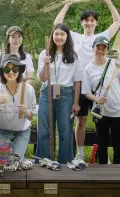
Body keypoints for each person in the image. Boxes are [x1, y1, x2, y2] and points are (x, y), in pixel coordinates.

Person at [54, 0, 120, 162]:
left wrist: (108, 2)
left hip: (98, 87)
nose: (89, 23)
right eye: (86, 20)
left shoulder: (102, 36)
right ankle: (80, 154)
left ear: (96, 23)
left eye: (92, 20)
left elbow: (118, 21)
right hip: (80, 86)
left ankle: (102, 155)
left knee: (102, 122)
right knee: (81, 121)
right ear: (82, 23)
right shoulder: (75, 36)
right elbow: (57, 24)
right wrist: (66, 5)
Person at [36, 23, 81, 164]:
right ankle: (44, 161)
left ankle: (65, 161)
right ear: (52, 36)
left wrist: (76, 102)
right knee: (44, 129)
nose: (59, 37)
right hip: (46, 92)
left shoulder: (73, 56)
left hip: (66, 94)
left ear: (67, 36)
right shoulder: (45, 54)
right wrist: (46, 65)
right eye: (56, 34)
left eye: (62, 34)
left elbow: (77, 81)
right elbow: (42, 78)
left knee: (65, 130)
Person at [81, 36, 120, 164]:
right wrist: (96, 99)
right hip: (101, 112)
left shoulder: (114, 63)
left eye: (104, 48)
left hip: (119, 110)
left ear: (107, 50)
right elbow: (85, 92)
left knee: (118, 144)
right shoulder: (88, 69)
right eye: (98, 47)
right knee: (102, 143)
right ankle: (103, 174)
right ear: (93, 48)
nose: (100, 51)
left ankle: (118, 173)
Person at [0, 54, 37, 170]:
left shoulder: (28, 90)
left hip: (21, 131)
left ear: (19, 71)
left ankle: (20, 158)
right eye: (7, 69)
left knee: (13, 161)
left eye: (14, 69)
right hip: (1, 131)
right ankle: (21, 159)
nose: (11, 72)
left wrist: (26, 112)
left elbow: (30, 118)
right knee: (5, 163)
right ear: (2, 71)